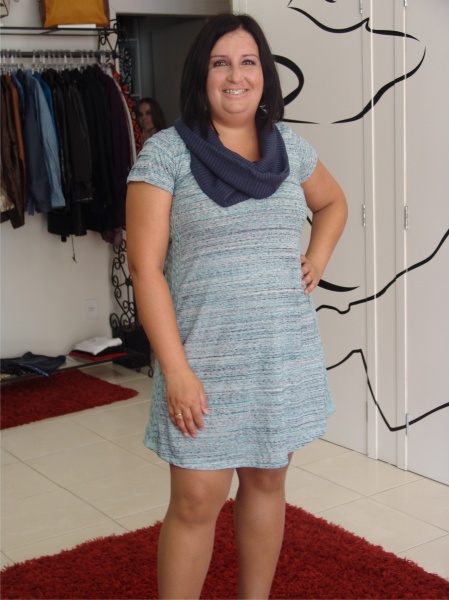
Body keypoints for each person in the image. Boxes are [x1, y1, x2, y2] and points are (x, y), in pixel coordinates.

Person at [126, 12, 347, 599]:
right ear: (201, 75)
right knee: (196, 499)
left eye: (248, 62)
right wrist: (175, 371)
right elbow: (144, 270)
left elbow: (333, 204)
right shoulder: (166, 153)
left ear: (264, 74)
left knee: (268, 482)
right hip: (202, 358)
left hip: (279, 354)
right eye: (220, 63)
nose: (235, 76)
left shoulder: (289, 147)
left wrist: (317, 259)